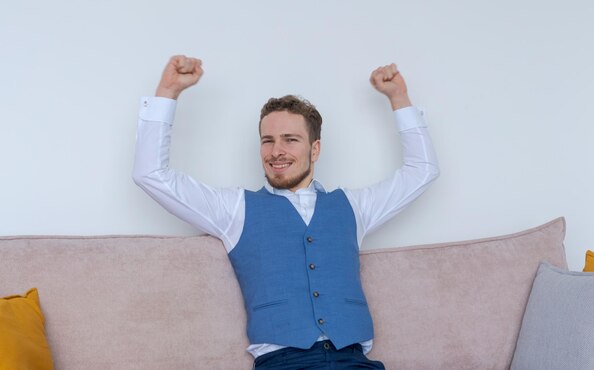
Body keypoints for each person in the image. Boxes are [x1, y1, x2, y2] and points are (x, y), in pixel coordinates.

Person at [133, 55, 439, 369]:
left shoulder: (353, 207)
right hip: (282, 363)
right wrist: (168, 91)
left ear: (315, 149)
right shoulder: (234, 209)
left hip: (354, 361)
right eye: (268, 141)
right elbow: (150, 175)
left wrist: (399, 98)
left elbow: (422, 171)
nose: (276, 151)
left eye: (290, 140)